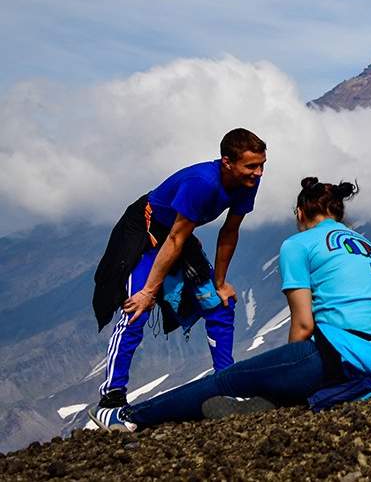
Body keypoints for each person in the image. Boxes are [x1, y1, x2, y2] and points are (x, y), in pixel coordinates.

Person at [89, 177, 371, 431]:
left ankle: (129, 417)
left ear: (300, 213)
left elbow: (303, 324)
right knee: (270, 381)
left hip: (339, 355)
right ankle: (267, 398)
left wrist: (291, 366)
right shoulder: (368, 244)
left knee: (225, 381)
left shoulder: (299, 244)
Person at [92, 128, 266, 412]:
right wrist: (148, 291)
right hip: (146, 230)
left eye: (261, 165)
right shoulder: (203, 183)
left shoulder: (247, 181)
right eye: (251, 166)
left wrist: (220, 282)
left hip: (177, 234)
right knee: (136, 309)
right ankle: (111, 397)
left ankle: (226, 381)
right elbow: (174, 239)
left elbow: (229, 232)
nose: (258, 172)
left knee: (219, 304)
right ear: (227, 162)